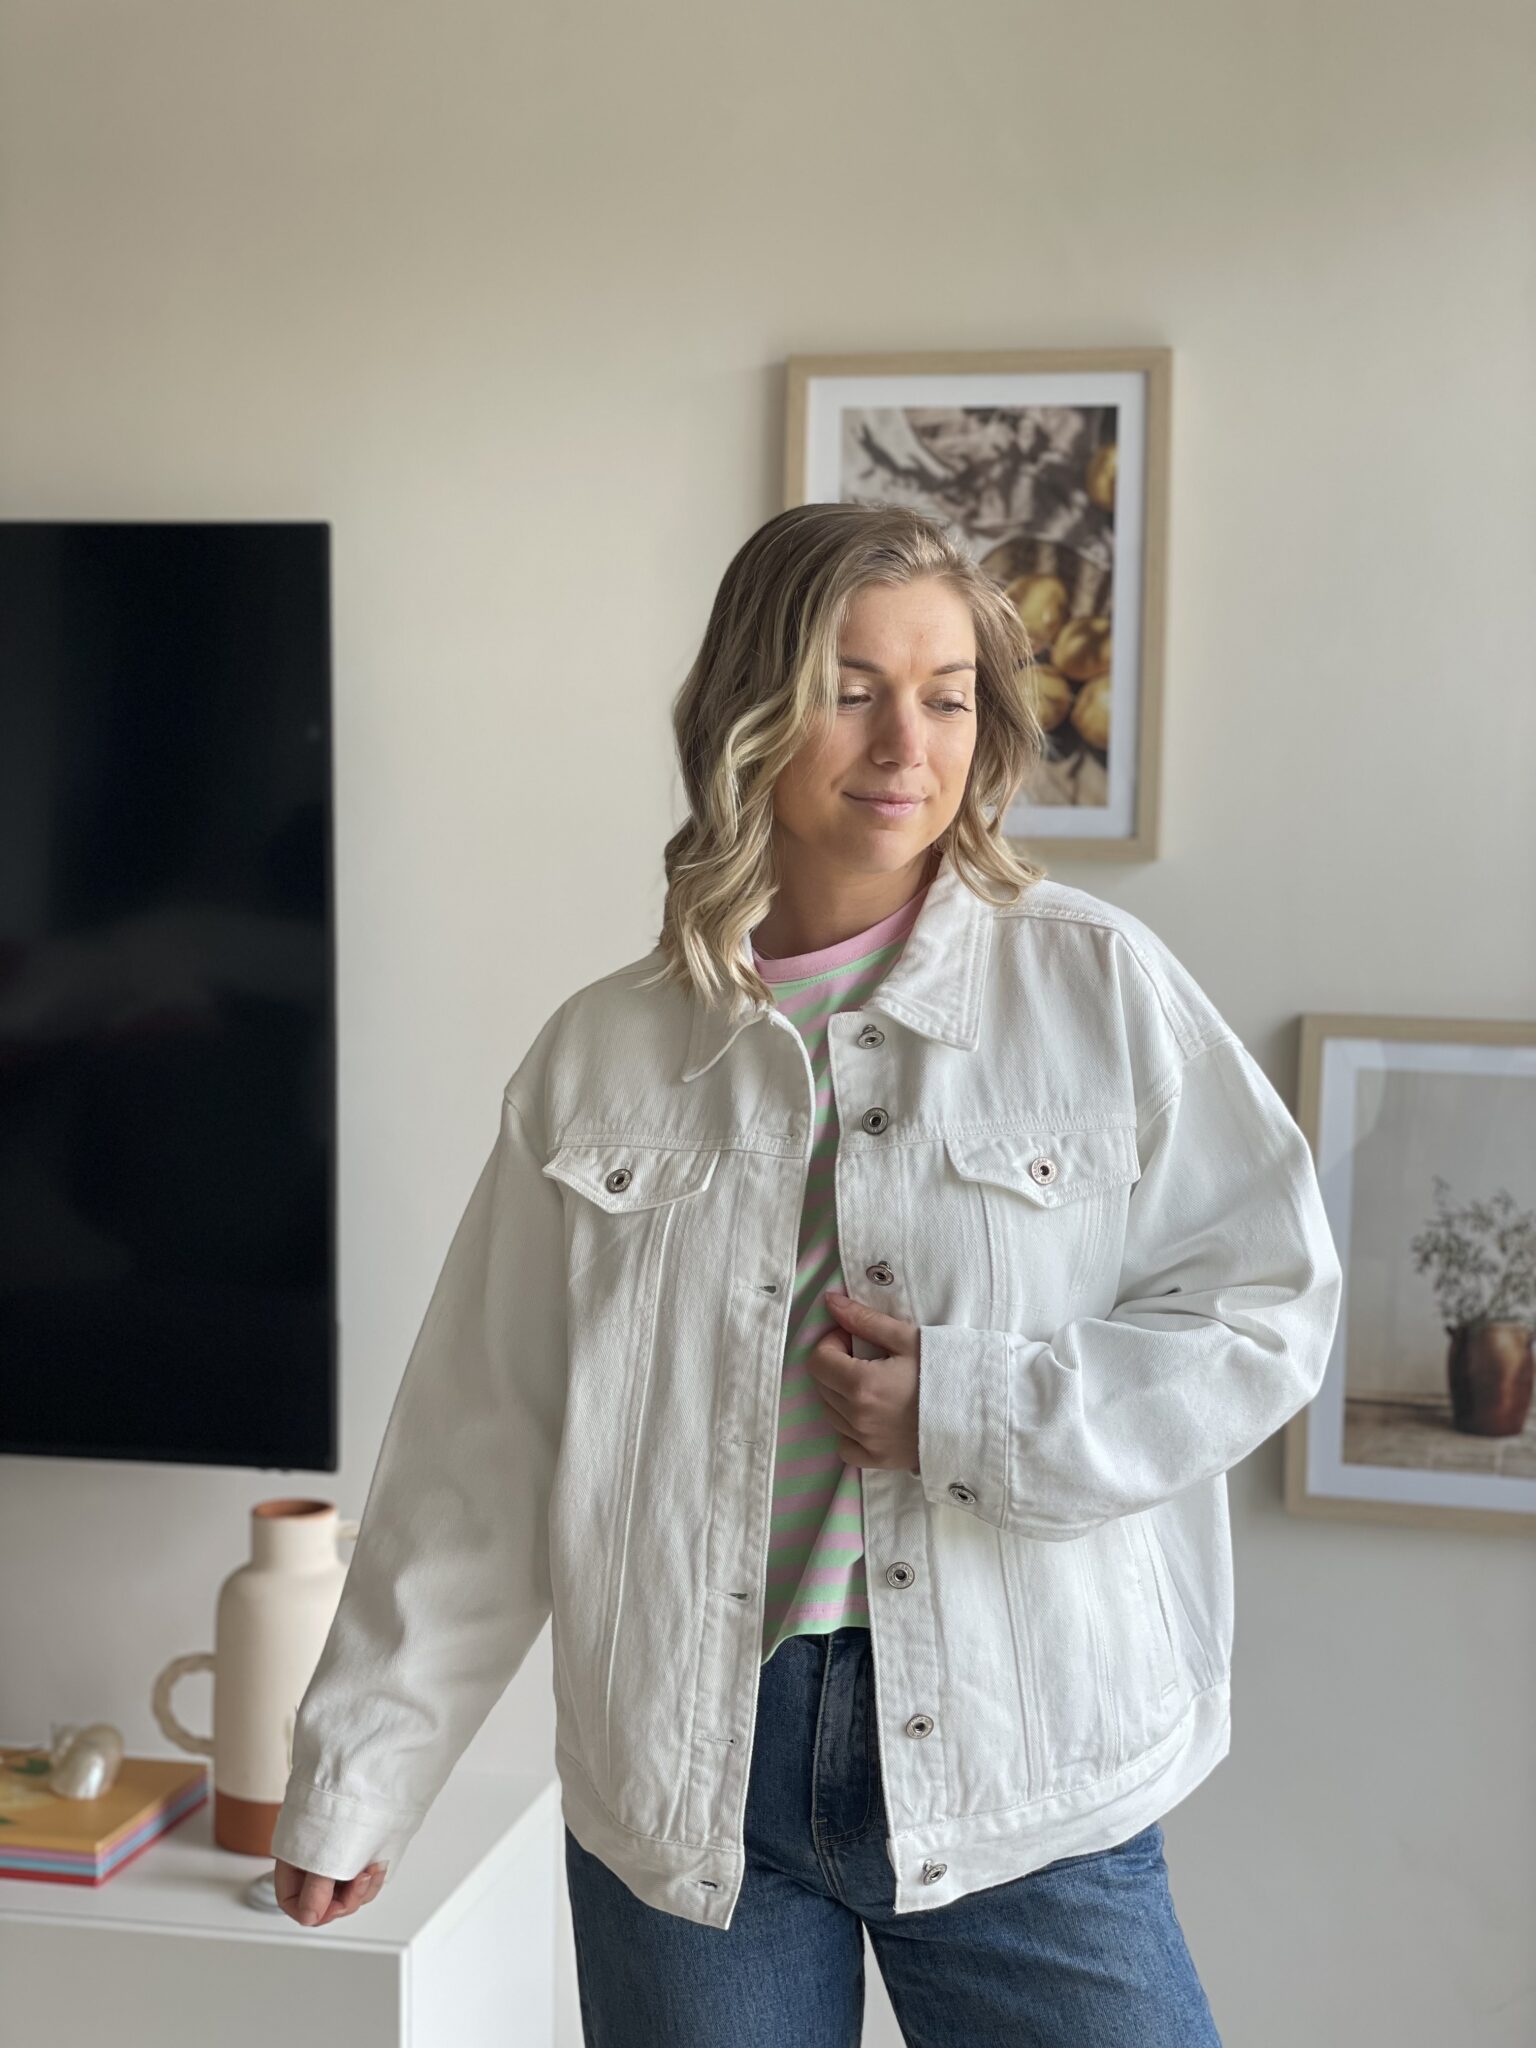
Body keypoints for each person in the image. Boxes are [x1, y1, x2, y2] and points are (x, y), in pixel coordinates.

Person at [272, 502, 1342, 2044]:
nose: (908, 743)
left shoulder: (1098, 988)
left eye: (947, 696)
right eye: (853, 690)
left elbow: (1266, 1307)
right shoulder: (603, 1054)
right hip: (692, 1787)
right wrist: (360, 1774)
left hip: (1023, 1756)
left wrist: (970, 1410)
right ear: (750, 712)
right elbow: (483, 1438)